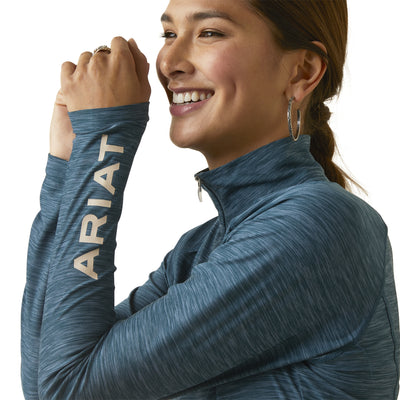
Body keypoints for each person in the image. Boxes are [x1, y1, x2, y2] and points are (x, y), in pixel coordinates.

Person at [21, 0, 399, 399]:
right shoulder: (198, 250)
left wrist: (106, 140)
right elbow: (47, 377)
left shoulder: (317, 225)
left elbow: (67, 390)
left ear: (302, 71)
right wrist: (70, 167)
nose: (168, 63)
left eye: (209, 33)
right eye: (169, 34)